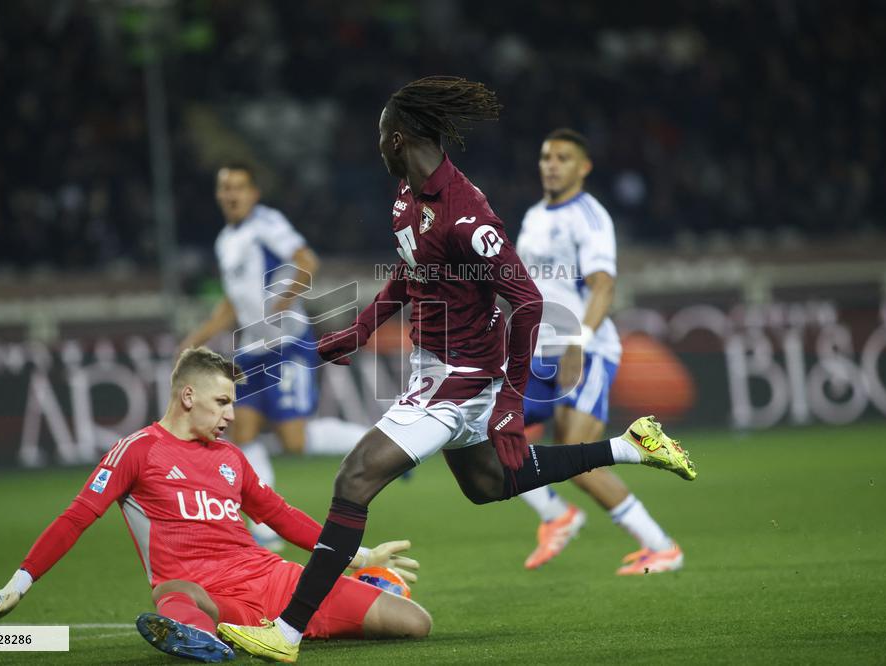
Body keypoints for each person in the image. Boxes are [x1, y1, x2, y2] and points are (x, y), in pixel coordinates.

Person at [216, 76, 697, 663]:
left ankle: (286, 633)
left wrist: (512, 403)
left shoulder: (468, 217)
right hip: (434, 367)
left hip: (461, 377)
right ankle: (631, 446)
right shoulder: (404, 196)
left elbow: (528, 300)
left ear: (398, 138)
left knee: (354, 479)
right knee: (487, 485)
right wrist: (360, 331)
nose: (375, 143)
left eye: (378, 134)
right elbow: (408, 272)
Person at [0, 347, 431, 663]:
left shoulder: (232, 458)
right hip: (202, 591)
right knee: (177, 597)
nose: (232, 414)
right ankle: (203, 637)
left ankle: (254, 632)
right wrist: (20, 583)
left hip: (272, 580)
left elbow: (280, 517)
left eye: (234, 402)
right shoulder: (137, 450)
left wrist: (360, 557)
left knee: (414, 623)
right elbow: (77, 517)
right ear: (188, 396)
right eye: (223, 401)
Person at [514, 129, 684, 574]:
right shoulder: (532, 217)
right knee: (490, 434)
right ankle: (557, 515)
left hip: (584, 351)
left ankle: (661, 546)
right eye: (547, 156)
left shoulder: (590, 219)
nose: (551, 164)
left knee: (574, 458)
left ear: (583, 167)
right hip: (536, 351)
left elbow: (604, 287)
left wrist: (579, 342)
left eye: (563, 158)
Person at [180, 162, 366, 550]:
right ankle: (264, 525)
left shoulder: (268, 223)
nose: (231, 194)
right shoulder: (225, 240)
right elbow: (232, 304)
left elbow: (307, 261)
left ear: (253, 193)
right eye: (225, 188)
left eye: (238, 187)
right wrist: (197, 337)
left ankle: (371, 441)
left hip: (288, 344)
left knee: (294, 440)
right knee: (242, 432)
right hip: (251, 348)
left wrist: (283, 300)